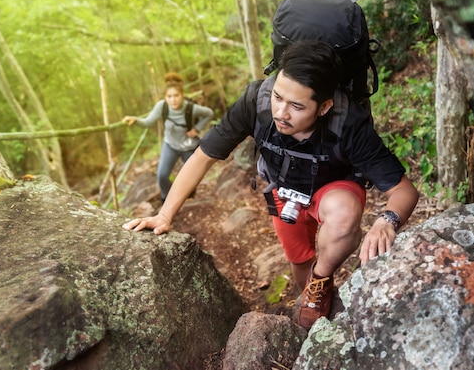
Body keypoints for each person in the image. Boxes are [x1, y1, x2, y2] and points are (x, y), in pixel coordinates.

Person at [122, 41, 419, 329]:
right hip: (283, 188)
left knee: (340, 217)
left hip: (333, 188)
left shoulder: (348, 122)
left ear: (324, 106)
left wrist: (387, 220)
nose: (281, 112)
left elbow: (403, 190)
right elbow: (203, 156)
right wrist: (165, 214)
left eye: (296, 106)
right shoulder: (256, 101)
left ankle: (321, 279)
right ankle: (311, 296)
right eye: (278, 97)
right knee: (298, 258)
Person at [122, 72, 214, 202]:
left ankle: (189, 196)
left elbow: (209, 113)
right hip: (170, 145)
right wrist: (135, 120)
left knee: (190, 175)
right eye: (169, 96)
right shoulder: (162, 107)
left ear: (182, 95)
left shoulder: (190, 108)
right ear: (165, 97)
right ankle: (167, 198)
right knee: (162, 175)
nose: (173, 100)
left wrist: (196, 129)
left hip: (188, 146)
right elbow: (148, 122)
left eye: (176, 95)